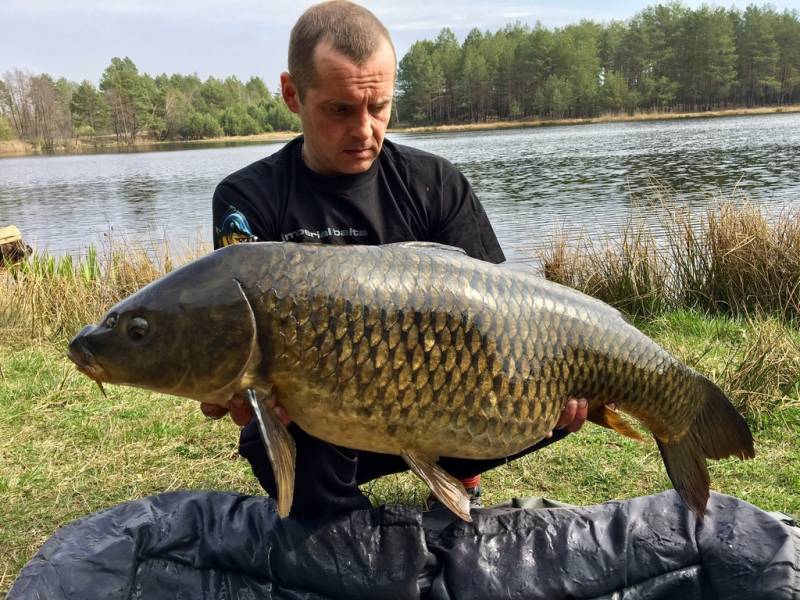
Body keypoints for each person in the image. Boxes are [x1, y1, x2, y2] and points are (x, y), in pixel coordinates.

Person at [202, 0, 589, 518]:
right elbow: (236, 338)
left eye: (378, 107)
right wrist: (235, 390)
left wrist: (551, 386)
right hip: (326, 421)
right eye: (340, 110)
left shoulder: (435, 184)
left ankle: (456, 472)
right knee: (273, 451)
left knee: (536, 401)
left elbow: (496, 327)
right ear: (293, 94)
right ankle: (352, 538)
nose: (364, 130)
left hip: (442, 403)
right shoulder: (247, 200)